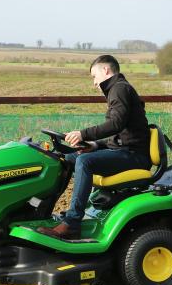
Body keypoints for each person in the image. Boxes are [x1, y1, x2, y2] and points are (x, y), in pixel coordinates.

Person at [37, 55, 151, 240]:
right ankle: (43, 211)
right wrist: (95, 144)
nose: (94, 82)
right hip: (125, 150)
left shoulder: (119, 89)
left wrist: (83, 134)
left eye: (94, 76)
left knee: (84, 161)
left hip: (135, 156)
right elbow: (121, 134)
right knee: (69, 158)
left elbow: (116, 124)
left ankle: (72, 223)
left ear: (105, 70)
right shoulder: (118, 89)